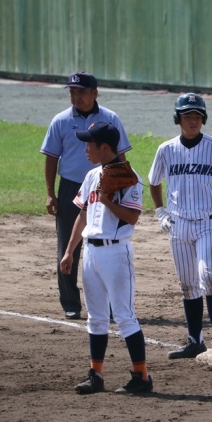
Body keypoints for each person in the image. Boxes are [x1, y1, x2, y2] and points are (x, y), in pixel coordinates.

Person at [148, 92, 212, 359]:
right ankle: (195, 341)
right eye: (187, 116)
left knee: (209, 274)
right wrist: (160, 211)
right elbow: (154, 180)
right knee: (188, 284)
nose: (192, 121)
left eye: (197, 116)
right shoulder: (166, 150)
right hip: (179, 225)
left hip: (209, 224)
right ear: (177, 118)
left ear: (203, 118)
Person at [60, 121, 153, 394]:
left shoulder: (130, 178)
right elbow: (83, 215)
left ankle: (142, 377)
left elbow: (132, 217)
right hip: (91, 252)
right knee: (96, 317)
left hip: (116, 253)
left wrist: (107, 200)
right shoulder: (92, 175)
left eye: (89, 144)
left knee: (124, 315)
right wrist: (69, 251)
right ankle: (96, 375)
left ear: (104, 147)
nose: (85, 149)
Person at [40, 72, 132, 320]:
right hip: (70, 187)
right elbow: (51, 158)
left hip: (105, 187)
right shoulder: (61, 120)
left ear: (95, 93)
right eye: (72, 92)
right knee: (67, 245)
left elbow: (121, 155)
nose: (76, 97)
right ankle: (70, 303)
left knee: (106, 243)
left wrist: (121, 188)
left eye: (81, 92)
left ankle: (111, 304)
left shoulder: (110, 119)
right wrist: (50, 193)